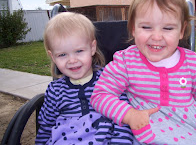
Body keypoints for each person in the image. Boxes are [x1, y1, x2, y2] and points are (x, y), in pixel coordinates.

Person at [90, 0, 196, 145]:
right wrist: (129, 114)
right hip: (147, 130)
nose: (157, 36)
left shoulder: (194, 64)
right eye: (146, 27)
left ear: (181, 31)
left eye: (167, 28)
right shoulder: (126, 62)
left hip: (192, 131)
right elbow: (100, 95)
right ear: (133, 29)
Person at [35, 12, 138, 144]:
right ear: (53, 57)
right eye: (62, 55)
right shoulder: (55, 90)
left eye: (79, 51)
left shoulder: (109, 79)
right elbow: (46, 128)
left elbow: (124, 117)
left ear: (92, 48)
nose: (72, 60)